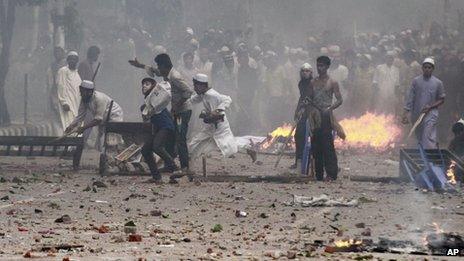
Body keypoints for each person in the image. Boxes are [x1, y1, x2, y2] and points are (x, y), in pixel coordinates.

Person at [128, 54, 193, 172]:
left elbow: (188, 91)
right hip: (176, 111)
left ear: (164, 66)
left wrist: (178, 104)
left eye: (159, 66)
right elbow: (156, 72)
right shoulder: (167, 73)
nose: (158, 69)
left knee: (180, 137)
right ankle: (170, 165)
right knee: (171, 137)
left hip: (182, 112)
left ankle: (184, 167)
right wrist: (141, 65)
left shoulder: (175, 76)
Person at [308, 56, 343, 181]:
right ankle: (318, 174)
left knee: (328, 145)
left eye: (322, 66)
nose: (319, 68)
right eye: (318, 65)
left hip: (326, 116)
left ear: (327, 67)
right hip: (315, 116)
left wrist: (330, 109)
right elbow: (310, 98)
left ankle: (331, 174)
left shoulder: (332, 82)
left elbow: (340, 100)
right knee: (316, 145)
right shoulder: (313, 82)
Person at [188, 73, 238, 159]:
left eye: (196, 86)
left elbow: (215, 115)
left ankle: (248, 147)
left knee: (228, 147)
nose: (194, 88)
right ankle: (191, 156)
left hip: (219, 126)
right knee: (196, 141)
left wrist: (205, 116)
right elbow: (192, 100)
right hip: (212, 126)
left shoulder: (210, 95)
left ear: (202, 85)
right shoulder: (204, 94)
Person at [65, 80, 123, 150]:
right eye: (81, 91)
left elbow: (98, 120)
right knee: (100, 140)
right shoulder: (84, 99)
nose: (82, 94)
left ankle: (115, 152)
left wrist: (83, 128)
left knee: (112, 138)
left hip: (114, 115)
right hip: (102, 118)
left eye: (85, 92)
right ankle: (103, 154)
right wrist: (71, 126)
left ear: (91, 92)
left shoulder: (99, 98)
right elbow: (80, 116)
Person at [139, 77, 178, 183]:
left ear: (153, 86)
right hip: (158, 129)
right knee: (145, 150)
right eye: (143, 84)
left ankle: (172, 165)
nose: (144, 86)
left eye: (147, 84)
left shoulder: (157, 98)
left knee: (157, 146)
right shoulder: (147, 102)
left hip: (166, 127)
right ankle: (156, 177)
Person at [402, 57, 445, 149]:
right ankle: (422, 156)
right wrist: (405, 114)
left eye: (429, 67)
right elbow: (410, 98)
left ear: (433, 69)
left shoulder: (438, 83)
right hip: (417, 114)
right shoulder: (416, 81)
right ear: (422, 68)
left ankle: (429, 157)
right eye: (425, 67)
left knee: (427, 135)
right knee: (419, 136)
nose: (427, 69)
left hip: (431, 114)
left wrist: (430, 107)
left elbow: (441, 99)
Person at [291, 63, 313, 170]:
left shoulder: (314, 83)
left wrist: (305, 105)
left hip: (313, 113)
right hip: (303, 114)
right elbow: (302, 97)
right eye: (303, 71)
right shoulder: (301, 84)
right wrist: (297, 110)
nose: (305, 73)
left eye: (307, 71)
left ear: (311, 73)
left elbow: (312, 97)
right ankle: (299, 161)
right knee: (299, 136)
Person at [56, 51, 82, 135]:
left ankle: (73, 147)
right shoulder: (63, 71)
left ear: (77, 61)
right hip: (67, 105)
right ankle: (68, 146)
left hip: (77, 104)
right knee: (68, 125)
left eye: (74, 59)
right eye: (70, 59)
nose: (72, 61)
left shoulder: (77, 73)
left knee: (76, 126)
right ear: (67, 60)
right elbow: (61, 86)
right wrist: (63, 102)